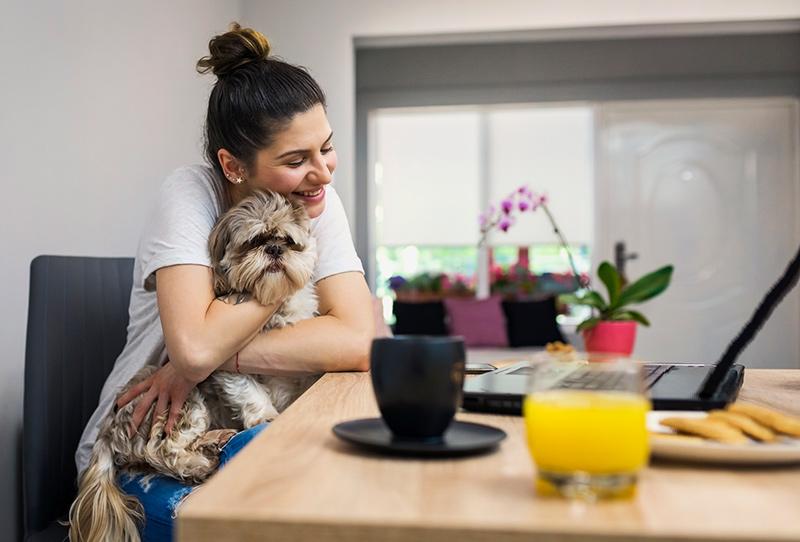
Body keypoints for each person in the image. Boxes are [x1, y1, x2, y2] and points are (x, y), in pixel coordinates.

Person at [74, 23, 373, 541]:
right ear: (233, 166)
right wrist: (283, 273)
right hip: (145, 457)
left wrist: (214, 352)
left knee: (347, 483)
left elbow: (360, 339)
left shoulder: (316, 198)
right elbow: (191, 350)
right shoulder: (191, 193)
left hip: (248, 436)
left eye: (326, 148)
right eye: (296, 160)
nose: (323, 173)